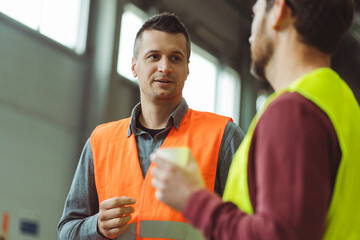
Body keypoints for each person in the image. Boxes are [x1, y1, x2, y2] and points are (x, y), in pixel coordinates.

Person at [151, 0, 360, 239]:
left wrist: (193, 199)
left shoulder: (293, 111)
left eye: (256, 12)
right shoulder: (342, 104)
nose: (251, 32)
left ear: (278, 11)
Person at [57, 12, 244, 240]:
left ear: (187, 69)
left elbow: (250, 227)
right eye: (153, 56)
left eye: (175, 58)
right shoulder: (100, 142)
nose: (164, 67)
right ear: (134, 66)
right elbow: (66, 232)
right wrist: (96, 226)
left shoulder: (223, 136)